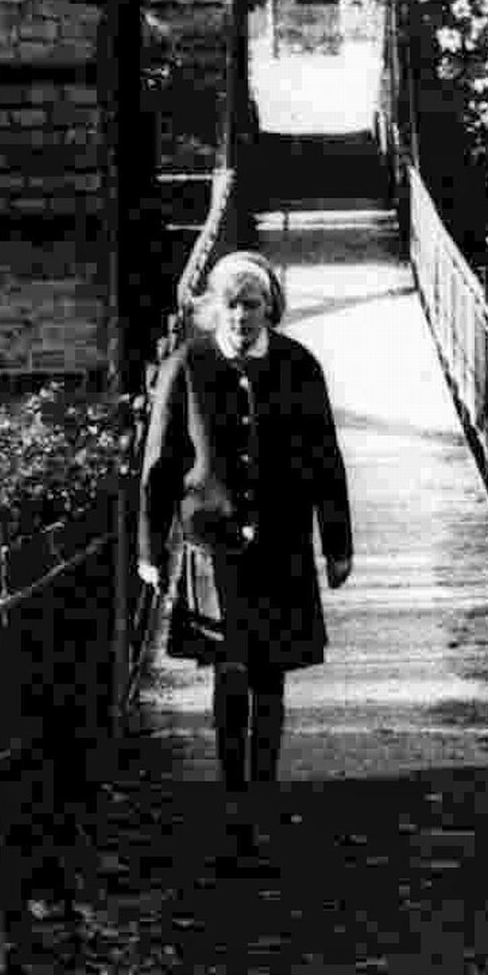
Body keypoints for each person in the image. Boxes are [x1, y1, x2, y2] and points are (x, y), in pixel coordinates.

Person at [137, 249, 353, 872]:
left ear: (269, 309)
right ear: (214, 308)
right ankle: (234, 802)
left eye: (252, 304)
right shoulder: (188, 365)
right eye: (230, 304)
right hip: (215, 545)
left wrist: (337, 544)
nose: (240, 316)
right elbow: (161, 464)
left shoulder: (298, 365)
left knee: (271, 675)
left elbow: (324, 460)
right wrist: (151, 548)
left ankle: (263, 793)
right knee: (230, 671)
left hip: (282, 543)